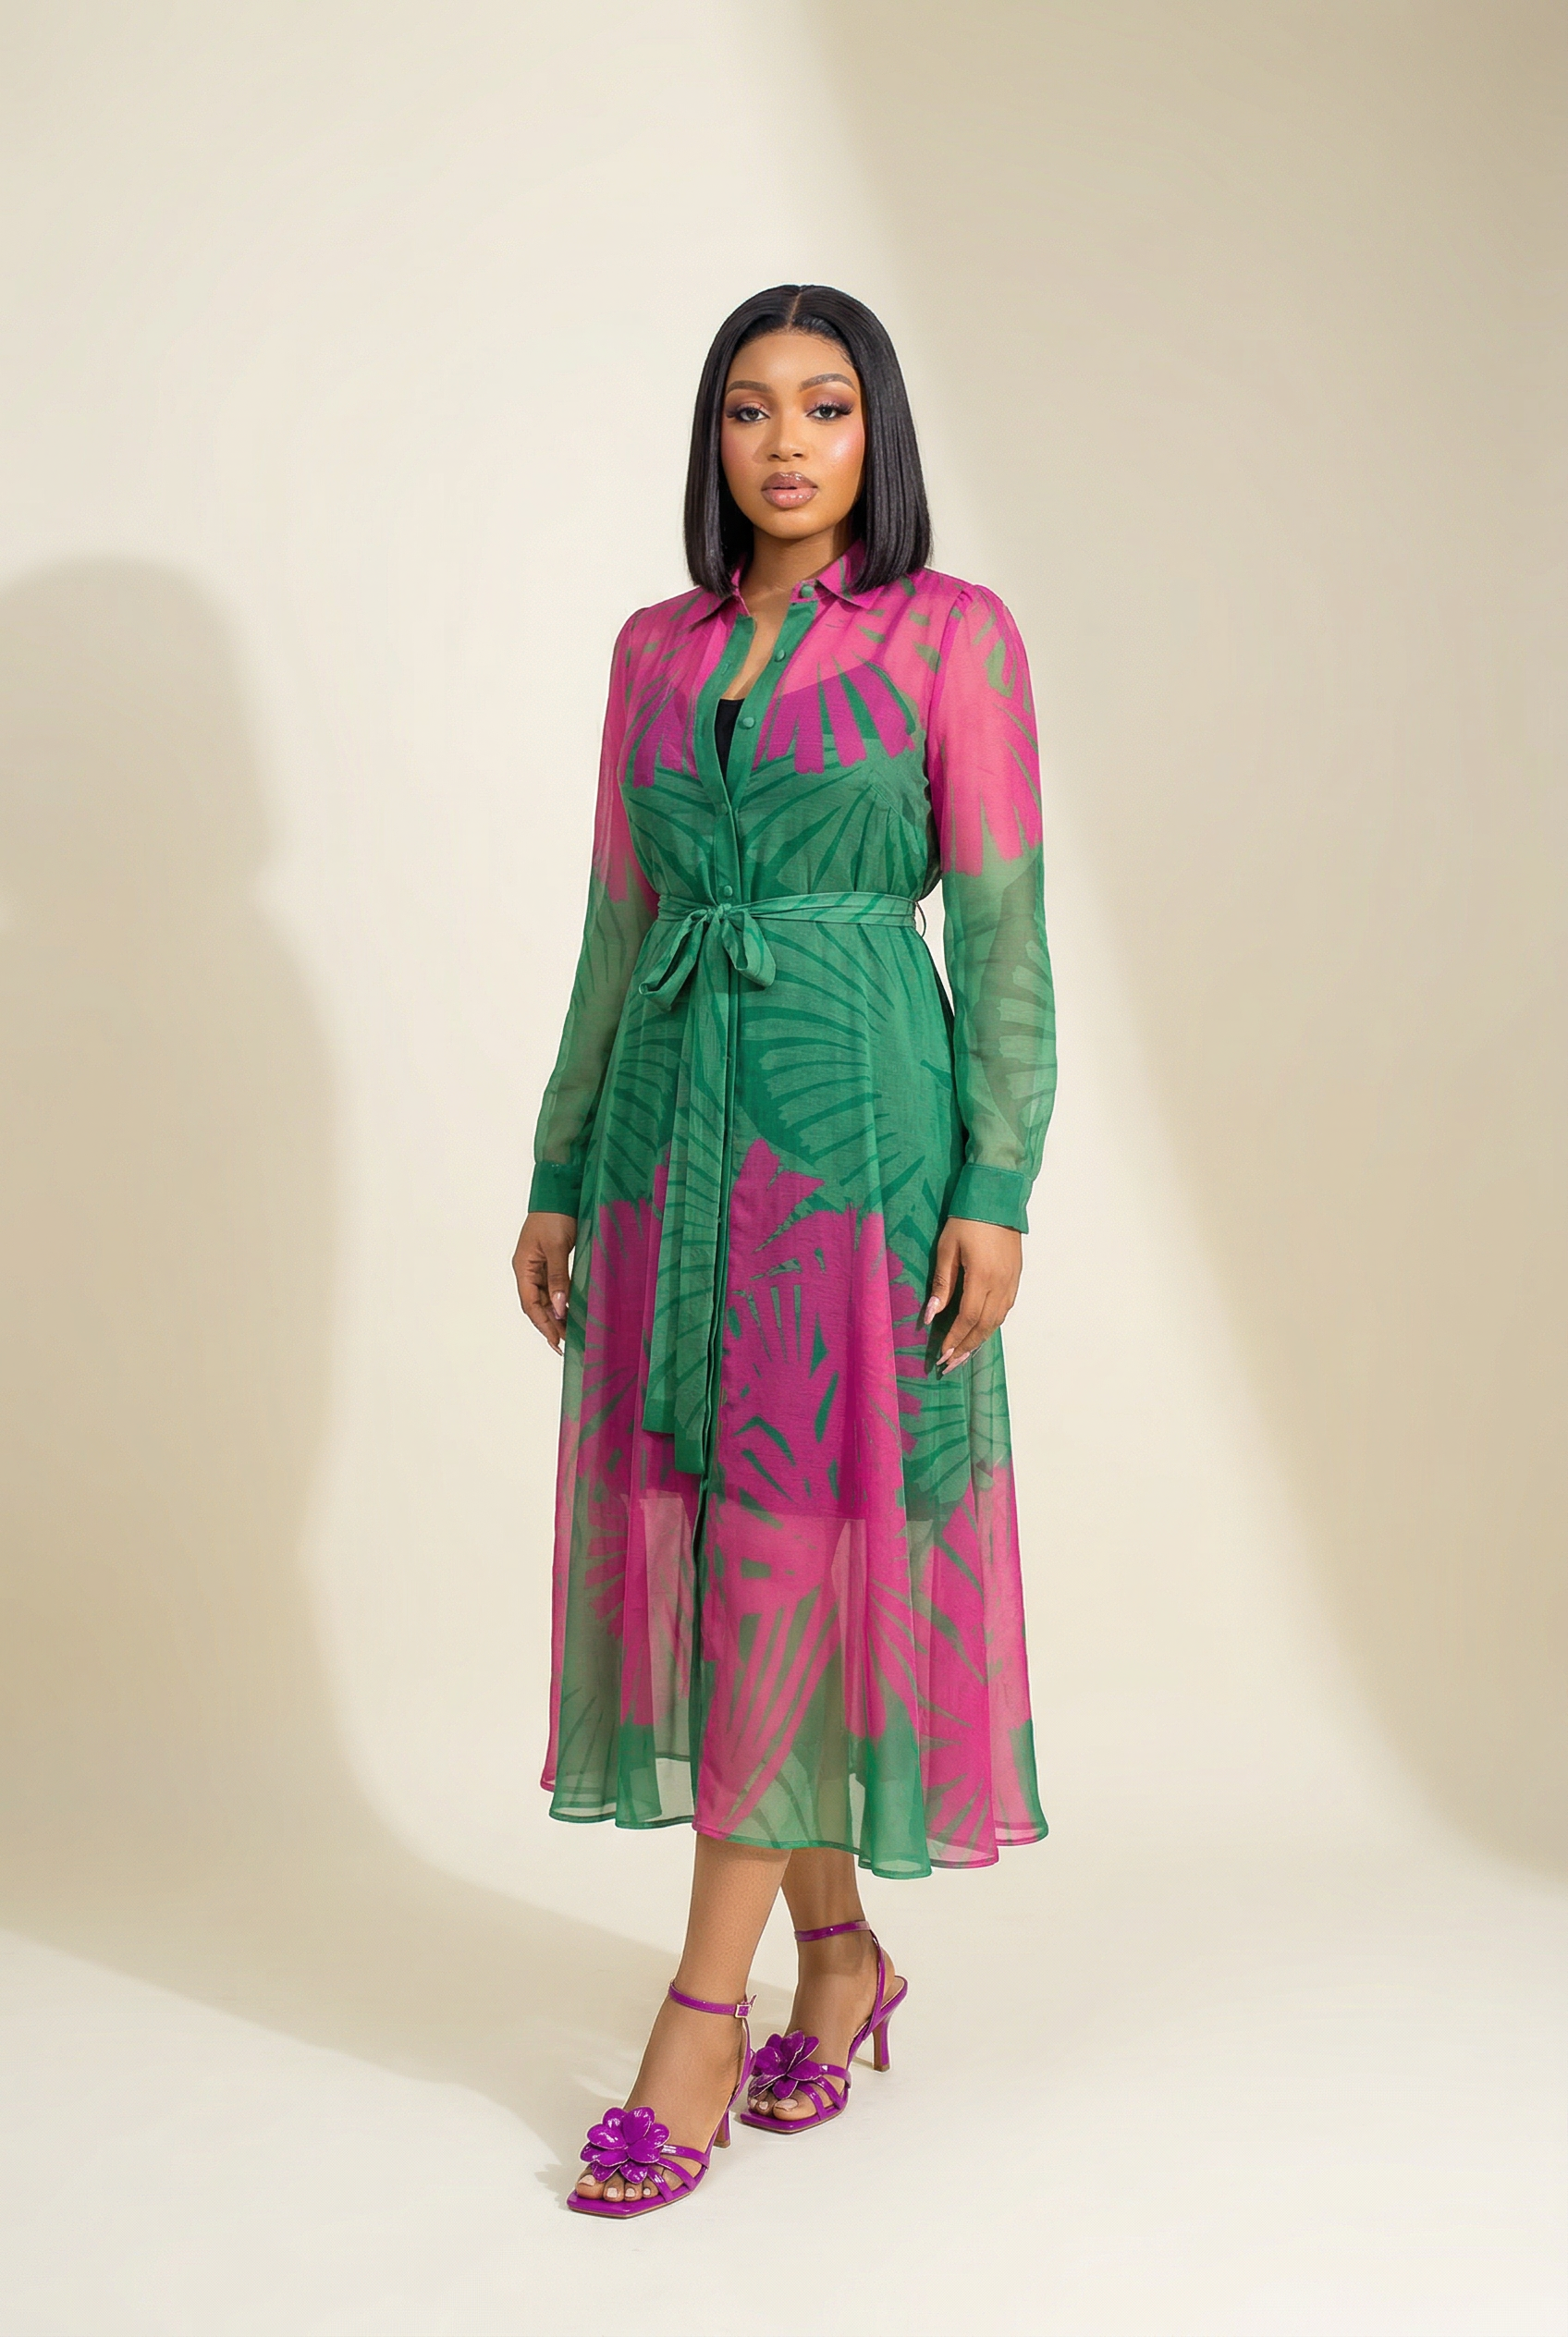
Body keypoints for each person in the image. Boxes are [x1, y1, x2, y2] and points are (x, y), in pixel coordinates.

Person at [512, 283, 1057, 2218]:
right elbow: (613, 919)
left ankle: (697, 2012)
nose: (787, 443)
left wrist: (996, 1182)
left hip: (855, 1138)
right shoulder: (652, 651)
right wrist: (559, 1162)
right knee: (739, 1538)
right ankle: (840, 1960)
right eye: (749, 408)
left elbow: (1001, 924)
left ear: (875, 431)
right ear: (712, 439)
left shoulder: (948, 635)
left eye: (826, 406)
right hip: (668, 1131)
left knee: (791, 1536)